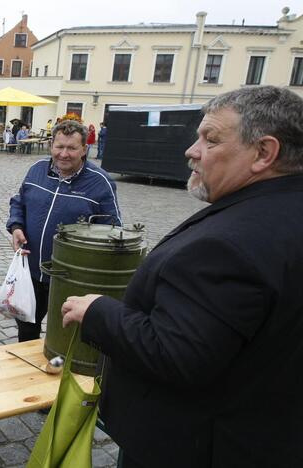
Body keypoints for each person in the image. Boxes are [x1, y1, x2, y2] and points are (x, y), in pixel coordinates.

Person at [60, 85, 303, 468]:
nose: (192, 150)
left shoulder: (231, 243)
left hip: (196, 446)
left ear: (263, 153)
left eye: (210, 139)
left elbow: (177, 354)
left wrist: (99, 312)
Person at [6, 119, 121, 342]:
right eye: (60, 147)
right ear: (52, 145)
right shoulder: (37, 170)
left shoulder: (100, 183)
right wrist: (16, 227)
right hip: (31, 271)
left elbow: (113, 230)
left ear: (84, 150)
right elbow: (18, 202)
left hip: (70, 277)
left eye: (72, 148)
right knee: (27, 327)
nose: (64, 154)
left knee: (65, 335)